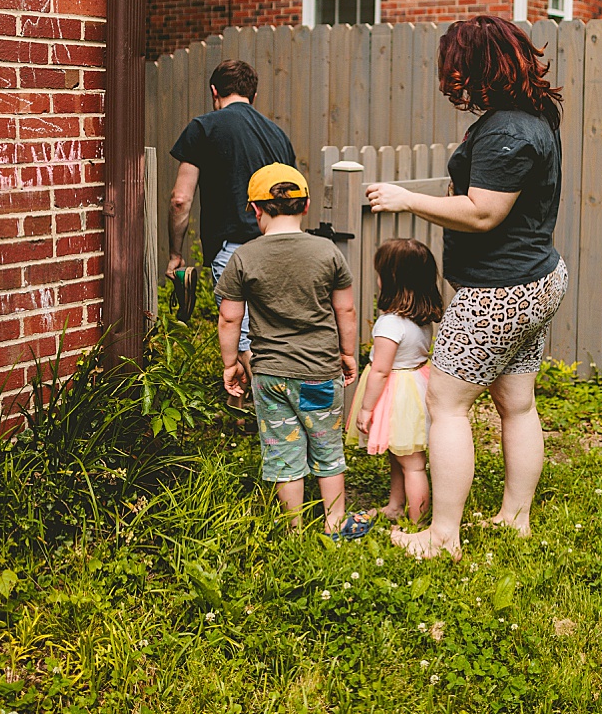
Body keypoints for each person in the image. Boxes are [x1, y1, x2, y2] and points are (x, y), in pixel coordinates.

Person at [364, 15, 567, 559]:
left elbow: (482, 212)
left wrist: (407, 198)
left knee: (445, 404)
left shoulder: (508, 130)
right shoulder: (533, 115)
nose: (451, 79)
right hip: (537, 279)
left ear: (480, 65)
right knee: (517, 403)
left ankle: (442, 535)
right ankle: (513, 517)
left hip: (501, 291)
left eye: (456, 68)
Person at [215, 163, 367, 537]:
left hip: (269, 376)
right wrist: (348, 355)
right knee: (327, 444)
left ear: (255, 209)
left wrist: (230, 363)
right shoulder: (327, 251)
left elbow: (230, 319)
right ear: (306, 205)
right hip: (319, 371)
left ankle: (293, 530)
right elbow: (345, 309)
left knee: (284, 450)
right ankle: (334, 523)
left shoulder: (244, 257)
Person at [167, 59, 296, 403]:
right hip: (279, 247)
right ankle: (252, 411)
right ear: (253, 93)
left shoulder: (204, 127)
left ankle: (281, 421)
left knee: (241, 341)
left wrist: (176, 253)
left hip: (234, 249)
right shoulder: (278, 135)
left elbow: (181, 199)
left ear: (214, 92)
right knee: (271, 334)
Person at [345, 238, 443, 524]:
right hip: (416, 384)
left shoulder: (390, 323)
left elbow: (380, 370)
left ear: (390, 280)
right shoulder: (420, 317)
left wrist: (365, 408)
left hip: (397, 394)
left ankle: (417, 522)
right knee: (401, 454)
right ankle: (395, 506)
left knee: (412, 464)